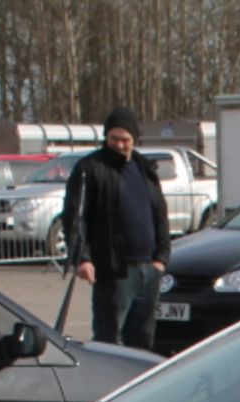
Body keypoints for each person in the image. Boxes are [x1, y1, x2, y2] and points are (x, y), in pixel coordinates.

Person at [63, 108, 170, 349]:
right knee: (109, 338)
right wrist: (83, 258)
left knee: (142, 339)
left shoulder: (145, 169)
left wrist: (161, 259)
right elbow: (74, 216)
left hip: (149, 269)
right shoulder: (89, 168)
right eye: (114, 139)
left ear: (134, 139)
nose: (119, 145)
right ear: (105, 138)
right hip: (113, 270)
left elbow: (160, 214)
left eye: (125, 140)